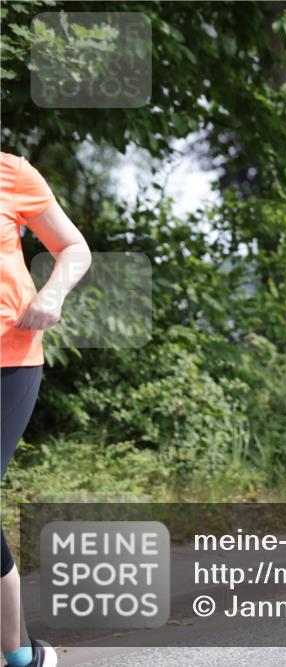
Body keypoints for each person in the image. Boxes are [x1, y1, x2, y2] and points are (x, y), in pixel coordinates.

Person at [1, 152, 92, 667]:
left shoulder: (12, 174)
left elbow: (73, 247)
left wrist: (53, 294)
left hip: (8, 359)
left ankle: (18, 654)